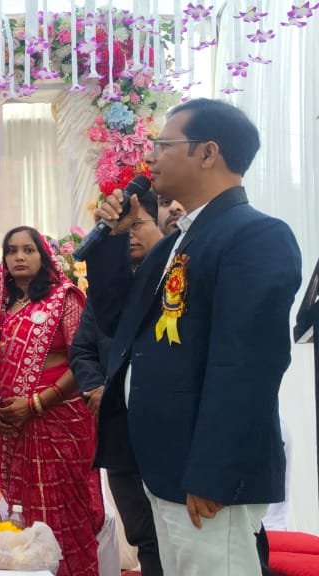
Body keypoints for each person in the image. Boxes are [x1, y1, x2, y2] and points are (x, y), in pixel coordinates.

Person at [87, 98, 300, 575]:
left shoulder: (255, 235)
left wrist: (214, 471)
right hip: (165, 464)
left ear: (208, 152)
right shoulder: (181, 240)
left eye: (164, 145)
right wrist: (112, 241)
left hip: (205, 477)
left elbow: (247, 366)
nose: (152, 157)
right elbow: (120, 321)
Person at [0, 226, 102, 576]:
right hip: (12, 426)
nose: (19, 257)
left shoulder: (64, 298)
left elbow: (83, 361)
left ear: (43, 256)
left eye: (28, 250)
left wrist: (36, 403)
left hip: (59, 421)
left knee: (64, 511)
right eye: (11, 250)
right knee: (22, 513)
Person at [70, 189, 164, 575]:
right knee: (143, 534)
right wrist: (97, 388)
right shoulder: (105, 293)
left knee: (176, 534)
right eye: (122, 227)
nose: (130, 234)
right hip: (119, 427)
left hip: (164, 426)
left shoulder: (174, 282)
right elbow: (82, 350)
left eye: (138, 224)